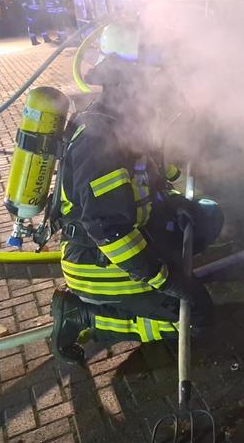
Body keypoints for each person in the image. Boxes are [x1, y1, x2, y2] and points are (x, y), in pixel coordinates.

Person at [49, 22, 223, 365]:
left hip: (133, 239)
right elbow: (108, 229)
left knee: (209, 215)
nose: (162, 83)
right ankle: (83, 316)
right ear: (127, 80)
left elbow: (153, 175)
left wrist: (178, 201)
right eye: (153, 75)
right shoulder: (101, 140)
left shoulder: (126, 121)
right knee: (197, 317)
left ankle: (153, 286)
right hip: (100, 263)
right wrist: (167, 278)